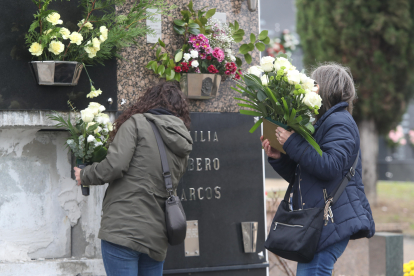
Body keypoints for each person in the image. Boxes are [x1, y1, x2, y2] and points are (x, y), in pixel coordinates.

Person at [261, 63, 375, 276]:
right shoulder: (326, 122)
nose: (308, 89)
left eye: (314, 84)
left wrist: (292, 143)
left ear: (327, 89)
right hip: (323, 220)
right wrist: (279, 158)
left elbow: (329, 167)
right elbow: (308, 177)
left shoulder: (339, 122)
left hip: (330, 220)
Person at [74, 81, 193, 276]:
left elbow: (115, 165)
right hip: (157, 234)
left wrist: (85, 174)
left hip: (124, 228)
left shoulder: (137, 123)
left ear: (150, 101)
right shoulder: (183, 139)